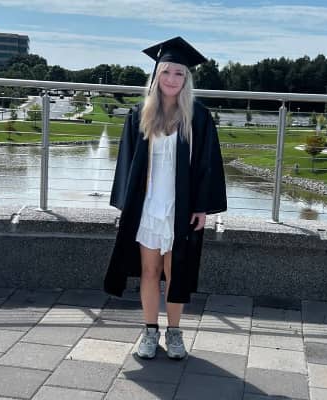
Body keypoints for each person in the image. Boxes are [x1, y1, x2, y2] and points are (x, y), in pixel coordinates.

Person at [103, 36, 227, 360]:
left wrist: (201, 207)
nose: (172, 79)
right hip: (148, 208)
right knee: (149, 271)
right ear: (157, 74)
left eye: (179, 73)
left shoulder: (198, 117)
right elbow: (127, 164)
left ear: (186, 79)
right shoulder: (139, 114)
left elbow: (207, 165)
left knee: (176, 273)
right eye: (166, 72)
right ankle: (149, 331)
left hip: (180, 208)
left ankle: (174, 332)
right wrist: (127, 206)